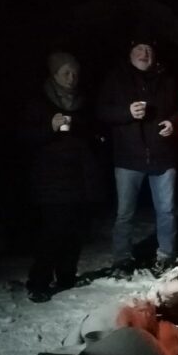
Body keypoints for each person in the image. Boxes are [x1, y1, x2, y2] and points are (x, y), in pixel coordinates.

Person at [96, 37, 178, 278]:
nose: (144, 53)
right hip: (128, 157)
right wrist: (126, 112)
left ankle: (166, 256)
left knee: (166, 211)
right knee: (125, 213)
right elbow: (101, 111)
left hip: (162, 156)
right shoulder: (116, 78)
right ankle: (122, 260)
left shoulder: (167, 78)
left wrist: (173, 123)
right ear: (130, 53)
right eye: (139, 49)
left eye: (148, 49)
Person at [21, 52, 103, 302]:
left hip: (80, 176)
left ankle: (66, 276)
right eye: (66, 73)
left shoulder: (83, 102)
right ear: (54, 74)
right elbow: (25, 137)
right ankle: (38, 282)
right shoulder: (39, 102)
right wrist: (50, 126)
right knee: (53, 231)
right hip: (51, 178)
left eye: (75, 73)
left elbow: (93, 133)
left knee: (75, 230)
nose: (71, 77)